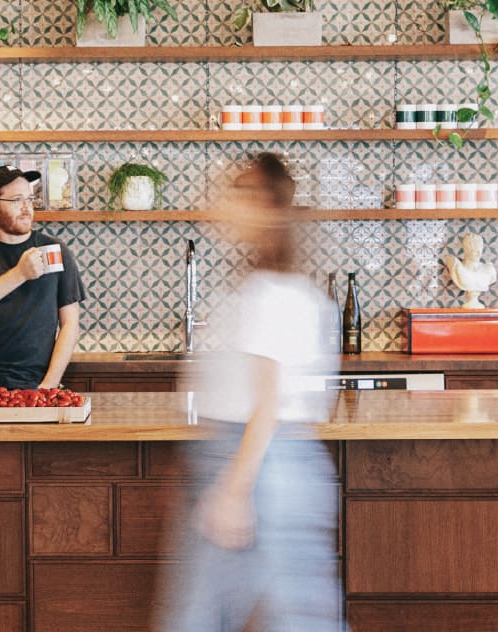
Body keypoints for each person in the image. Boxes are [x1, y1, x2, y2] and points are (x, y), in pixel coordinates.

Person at [158, 153, 343, 632]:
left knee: (197, 619)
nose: (223, 202)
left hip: (255, 467)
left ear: (264, 204)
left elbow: (268, 405)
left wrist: (232, 492)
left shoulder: (270, 293)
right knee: (292, 614)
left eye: (237, 192)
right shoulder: (280, 286)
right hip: (266, 466)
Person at [0, 165, 86, 390]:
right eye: (16, 200)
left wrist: (49, 385)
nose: (26, 208)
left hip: (37, 385)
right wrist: (19, 274)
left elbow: (70, 323)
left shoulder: (53, 250)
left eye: (30, 199)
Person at [443, 233, 498, 308]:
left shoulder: (489, 269)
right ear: (465, 249)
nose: (478, 252)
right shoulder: (456, 266)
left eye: (480, 247)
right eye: (474, 247)